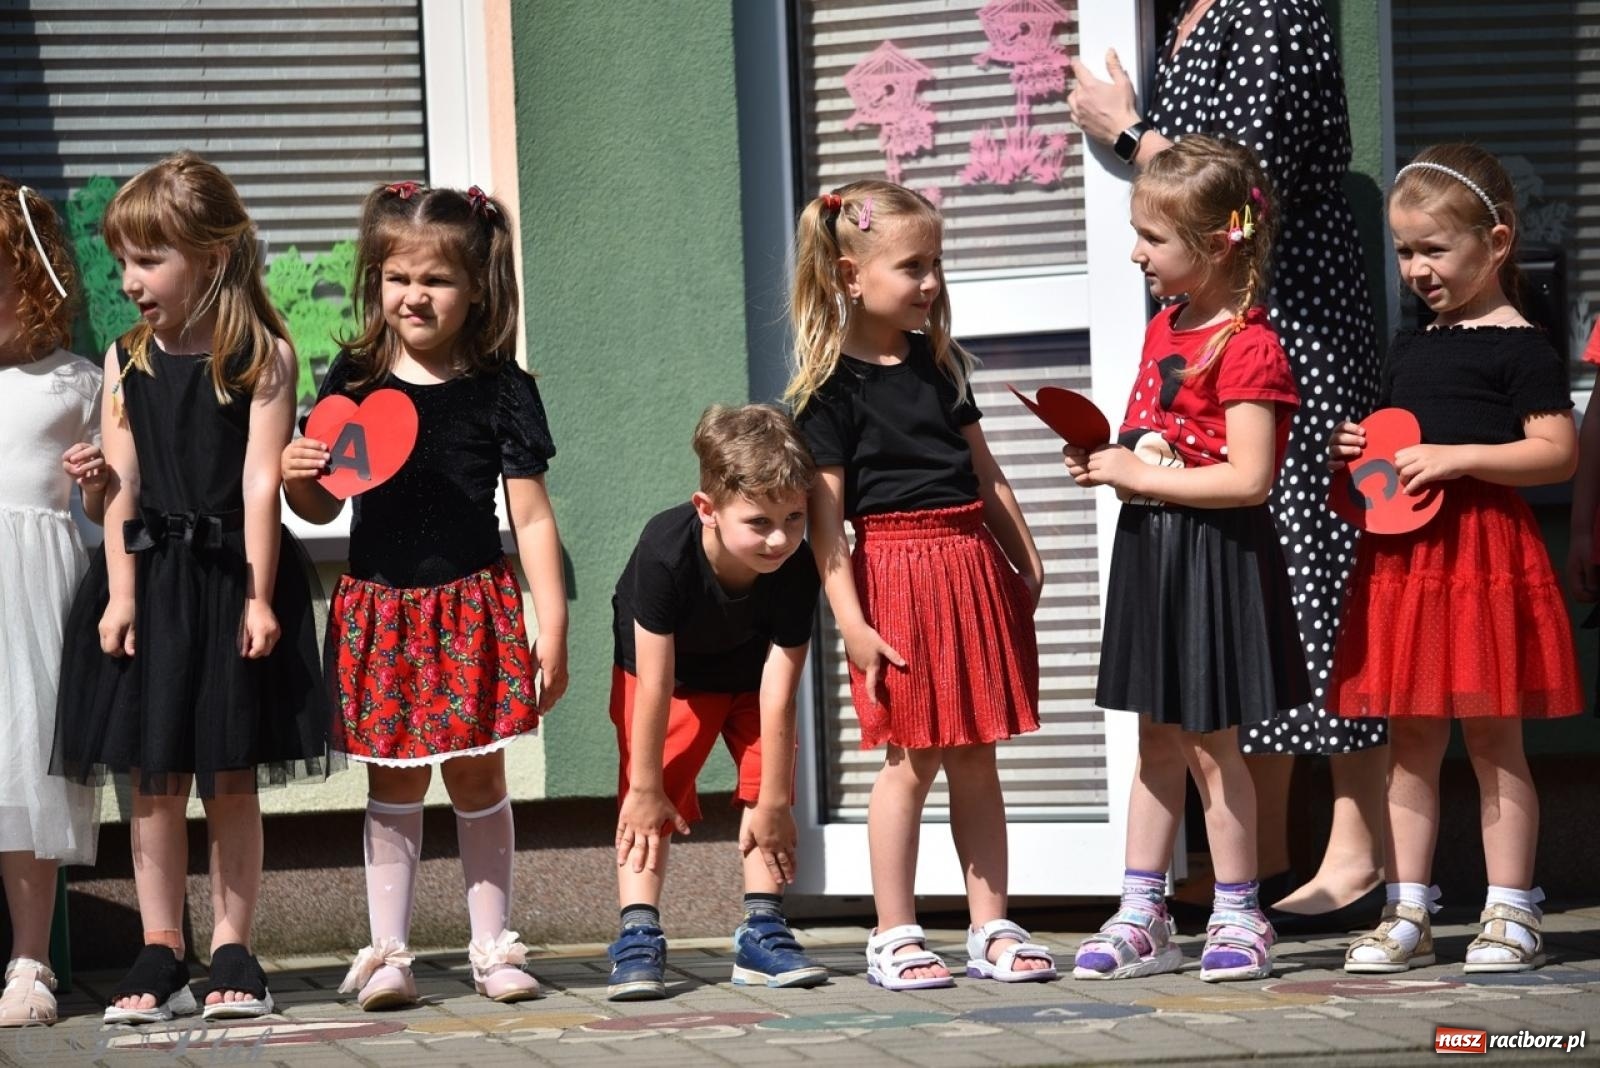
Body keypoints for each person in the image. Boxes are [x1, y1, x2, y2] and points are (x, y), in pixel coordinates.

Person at [1068, 0, 1386, 925]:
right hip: (1221, 317)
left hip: (1293, 321)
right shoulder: (1193, 15)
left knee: (1313, 567)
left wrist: (1127, 133)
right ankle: (1265, 855)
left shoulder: (1273, 11)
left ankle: (1357, 850)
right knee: (1262, 584)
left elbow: (1252, 188)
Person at [52, 153, 329, 1024]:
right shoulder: (124, 357)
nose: (130, 281)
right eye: (123, 261)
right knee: (154, 780)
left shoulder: (262, 355)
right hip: (151, 584)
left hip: (230, 585)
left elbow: (258, 484)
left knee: (231, 777)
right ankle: (160, 946)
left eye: (149, 260)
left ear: (209, 257)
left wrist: (257, 596)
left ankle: (234, 950)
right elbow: (122, 484)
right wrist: (121, 592)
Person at [282, 181, 567, 1009]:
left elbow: (535, 520)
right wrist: (300, 480)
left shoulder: (502, 389)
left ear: (476, 286)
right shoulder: (357, 377)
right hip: (380, 610)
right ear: (376, 279)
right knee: (393, 785)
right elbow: (322, 504)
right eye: (398, 277)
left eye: (436, 279)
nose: (415, 295)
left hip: (472, 610)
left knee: (479, 779)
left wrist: (553, 623)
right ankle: (390, 953)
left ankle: (492, 946)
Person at [789, 180, 1054, 990]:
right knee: (911, 761)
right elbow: (827, 529)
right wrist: (854, 624)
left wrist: (1024, 550)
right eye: (913, 265)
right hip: (895, 577)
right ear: (850, 274)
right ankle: (895, 932)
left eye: (937, 263)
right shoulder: (828, 391)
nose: (931, 281)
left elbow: (985, 471)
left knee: (978, 758)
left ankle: (991, 927)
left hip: (968, 563)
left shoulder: (941, 368)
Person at [1329, 144, 1581, 974]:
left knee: (1493, 737)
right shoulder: (1409, 348)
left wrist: (1458, 456)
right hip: (1409, 562)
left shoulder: (1523, 347)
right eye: (1404, 251)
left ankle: (1512, 912)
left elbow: (1556, 452)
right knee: (1409, 738)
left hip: (1481, 558)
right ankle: (1407, 912)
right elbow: (1397, 458)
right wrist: (1361, 449)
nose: (1417, 268)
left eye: (1434, 248)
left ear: (1497, 242)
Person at [1064, 135, 1303, 983]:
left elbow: (1249, 477)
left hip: (1214, 562)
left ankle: (1240, 912)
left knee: (1211, 745)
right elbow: (1156, 437)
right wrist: (1117, 455)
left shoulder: (1250, 346)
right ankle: (1143, 913)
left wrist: (1140, 468)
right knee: (1156, 740)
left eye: (1152, 238)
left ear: (1218, 243)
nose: (1135, 252)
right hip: (1154, 554)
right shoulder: (1165, 325)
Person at [606, 404, 827, 1000]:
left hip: (754, 677)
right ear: (707, 509)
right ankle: (638, 932)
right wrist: (648, 787)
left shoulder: (795, 565)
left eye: (795, 517)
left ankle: (763, 929)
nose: (779, 537)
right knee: (649, 794)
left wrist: (776, 800)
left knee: (768, 786)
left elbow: (780, 693)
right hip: (669, 680)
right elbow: (653, 682)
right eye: (758, 522)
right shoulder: (664, 551)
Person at [0, 179, 105, 1026]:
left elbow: (110, 509)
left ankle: (29, 960)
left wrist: (101, 482)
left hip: (29, 594)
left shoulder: (74, 381)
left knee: (25, 773)